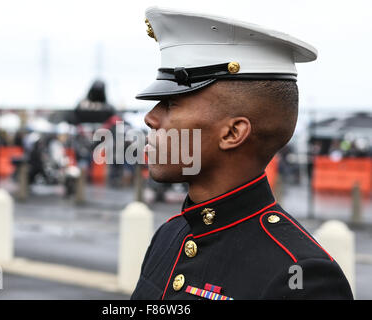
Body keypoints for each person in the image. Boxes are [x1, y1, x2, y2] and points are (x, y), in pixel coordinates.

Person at [131, 7, 353, 300]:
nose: (150, 118)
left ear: (233, 133)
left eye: (171, 104)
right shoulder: (168, 235)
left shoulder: (301, 276)